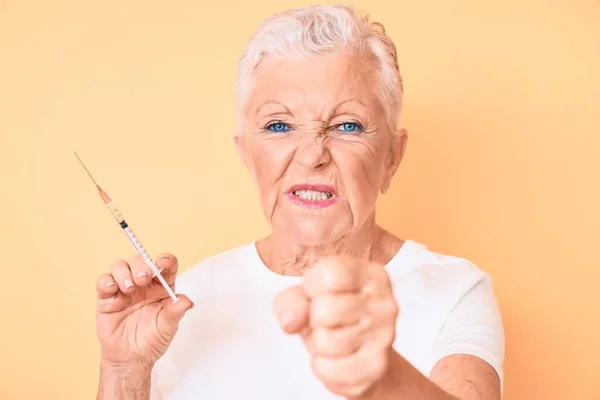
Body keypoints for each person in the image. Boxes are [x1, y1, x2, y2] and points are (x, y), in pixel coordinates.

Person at [95, 4, 504, 400]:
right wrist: (125, 373)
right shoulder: (180, 302)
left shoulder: (454, 291)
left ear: (391, 158)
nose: (312, 155)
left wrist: (380, 380)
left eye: (347, 125)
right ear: (246, 154)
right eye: (279, 125)